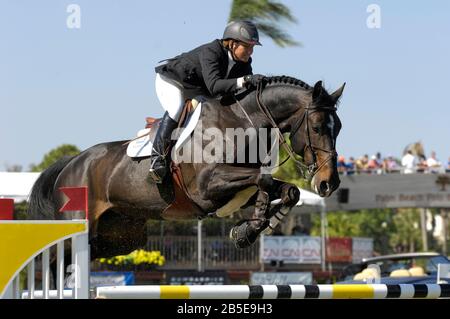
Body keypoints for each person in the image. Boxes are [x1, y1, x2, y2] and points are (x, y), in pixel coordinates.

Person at [149, 20, 265, 183]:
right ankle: (157, 158)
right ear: (232, 43)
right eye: (247, 46)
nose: (250, 52)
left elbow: (242, 92)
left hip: (197, 88)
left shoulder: (244, 63)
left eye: (252, 47)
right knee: (176, 108)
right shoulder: (212, 51)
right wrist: (245, 80)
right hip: (173, 81)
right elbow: (214, 86)